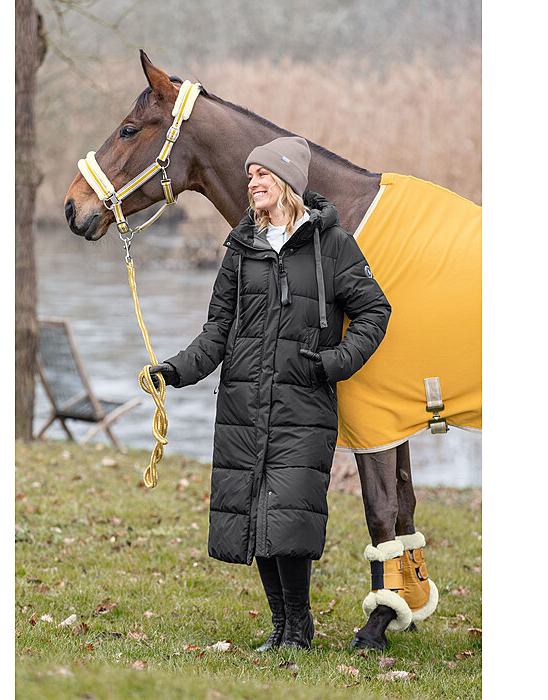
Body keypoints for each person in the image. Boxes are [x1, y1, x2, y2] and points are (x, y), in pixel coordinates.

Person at [149, 136, 391, 651]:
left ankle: (299, 625)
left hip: (304, 403)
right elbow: (218, 330)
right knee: (256, 511)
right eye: (249, 174)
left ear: (286, 183)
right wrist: (174, 371)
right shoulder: (242, 247)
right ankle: (280, 626)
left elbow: (375, 312)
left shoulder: (333, 245)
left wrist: (334, 363)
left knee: (289, 513)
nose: (251, 182)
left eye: (261, 174)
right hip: (243, 402)